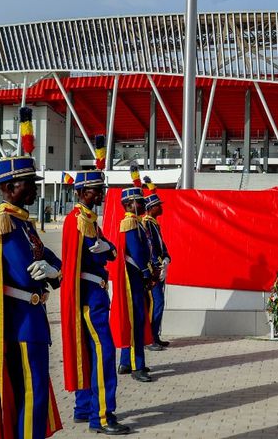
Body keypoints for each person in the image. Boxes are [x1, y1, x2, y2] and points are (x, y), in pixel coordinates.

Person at [0, 156, 63, 439]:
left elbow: (51, 261)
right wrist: (49, 271)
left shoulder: (23, 223)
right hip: (22, 321)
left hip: (33, 319)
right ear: (10, 186)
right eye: (29, 183)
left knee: (35, 391)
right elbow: (25, 272)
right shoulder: (3, 222)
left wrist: (53, 271)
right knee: (32, 391)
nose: (34, 189)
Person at [60, 171, 132, 435]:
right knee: (104, 353)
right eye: (94, 190)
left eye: (100, 189)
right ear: (80, 192)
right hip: (90, 297)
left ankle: (84, 408)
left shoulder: (86, 218)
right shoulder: (79, 220)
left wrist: (109, 248)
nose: (99, 194)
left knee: (89, 352)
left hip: (94, 294)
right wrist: (109, 249)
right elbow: (101, 249)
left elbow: (109, 249)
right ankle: (101, 415)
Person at [111, 187, 155, 382]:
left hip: (135, 276)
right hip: (134, 277)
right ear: (129, 205)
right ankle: (137, 365)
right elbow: (136, 252)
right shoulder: (130, 223)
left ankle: (125, 362)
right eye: (139, 201)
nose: (143, 204)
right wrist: (147, 272)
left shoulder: (136, 222)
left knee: (132, 319)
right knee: (136, 320)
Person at [143, 192, 171, 350]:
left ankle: (155, 336)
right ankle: (151, 338)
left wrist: (166, 258)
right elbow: (151, 248)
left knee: (159, 303)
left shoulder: (154, 224)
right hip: (154, 271)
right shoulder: (147, 223)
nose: (160, 207)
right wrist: (157, 265)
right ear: (151, 208)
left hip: (160, 268)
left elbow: (161, 246)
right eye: (158, 205)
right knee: (155, 303)